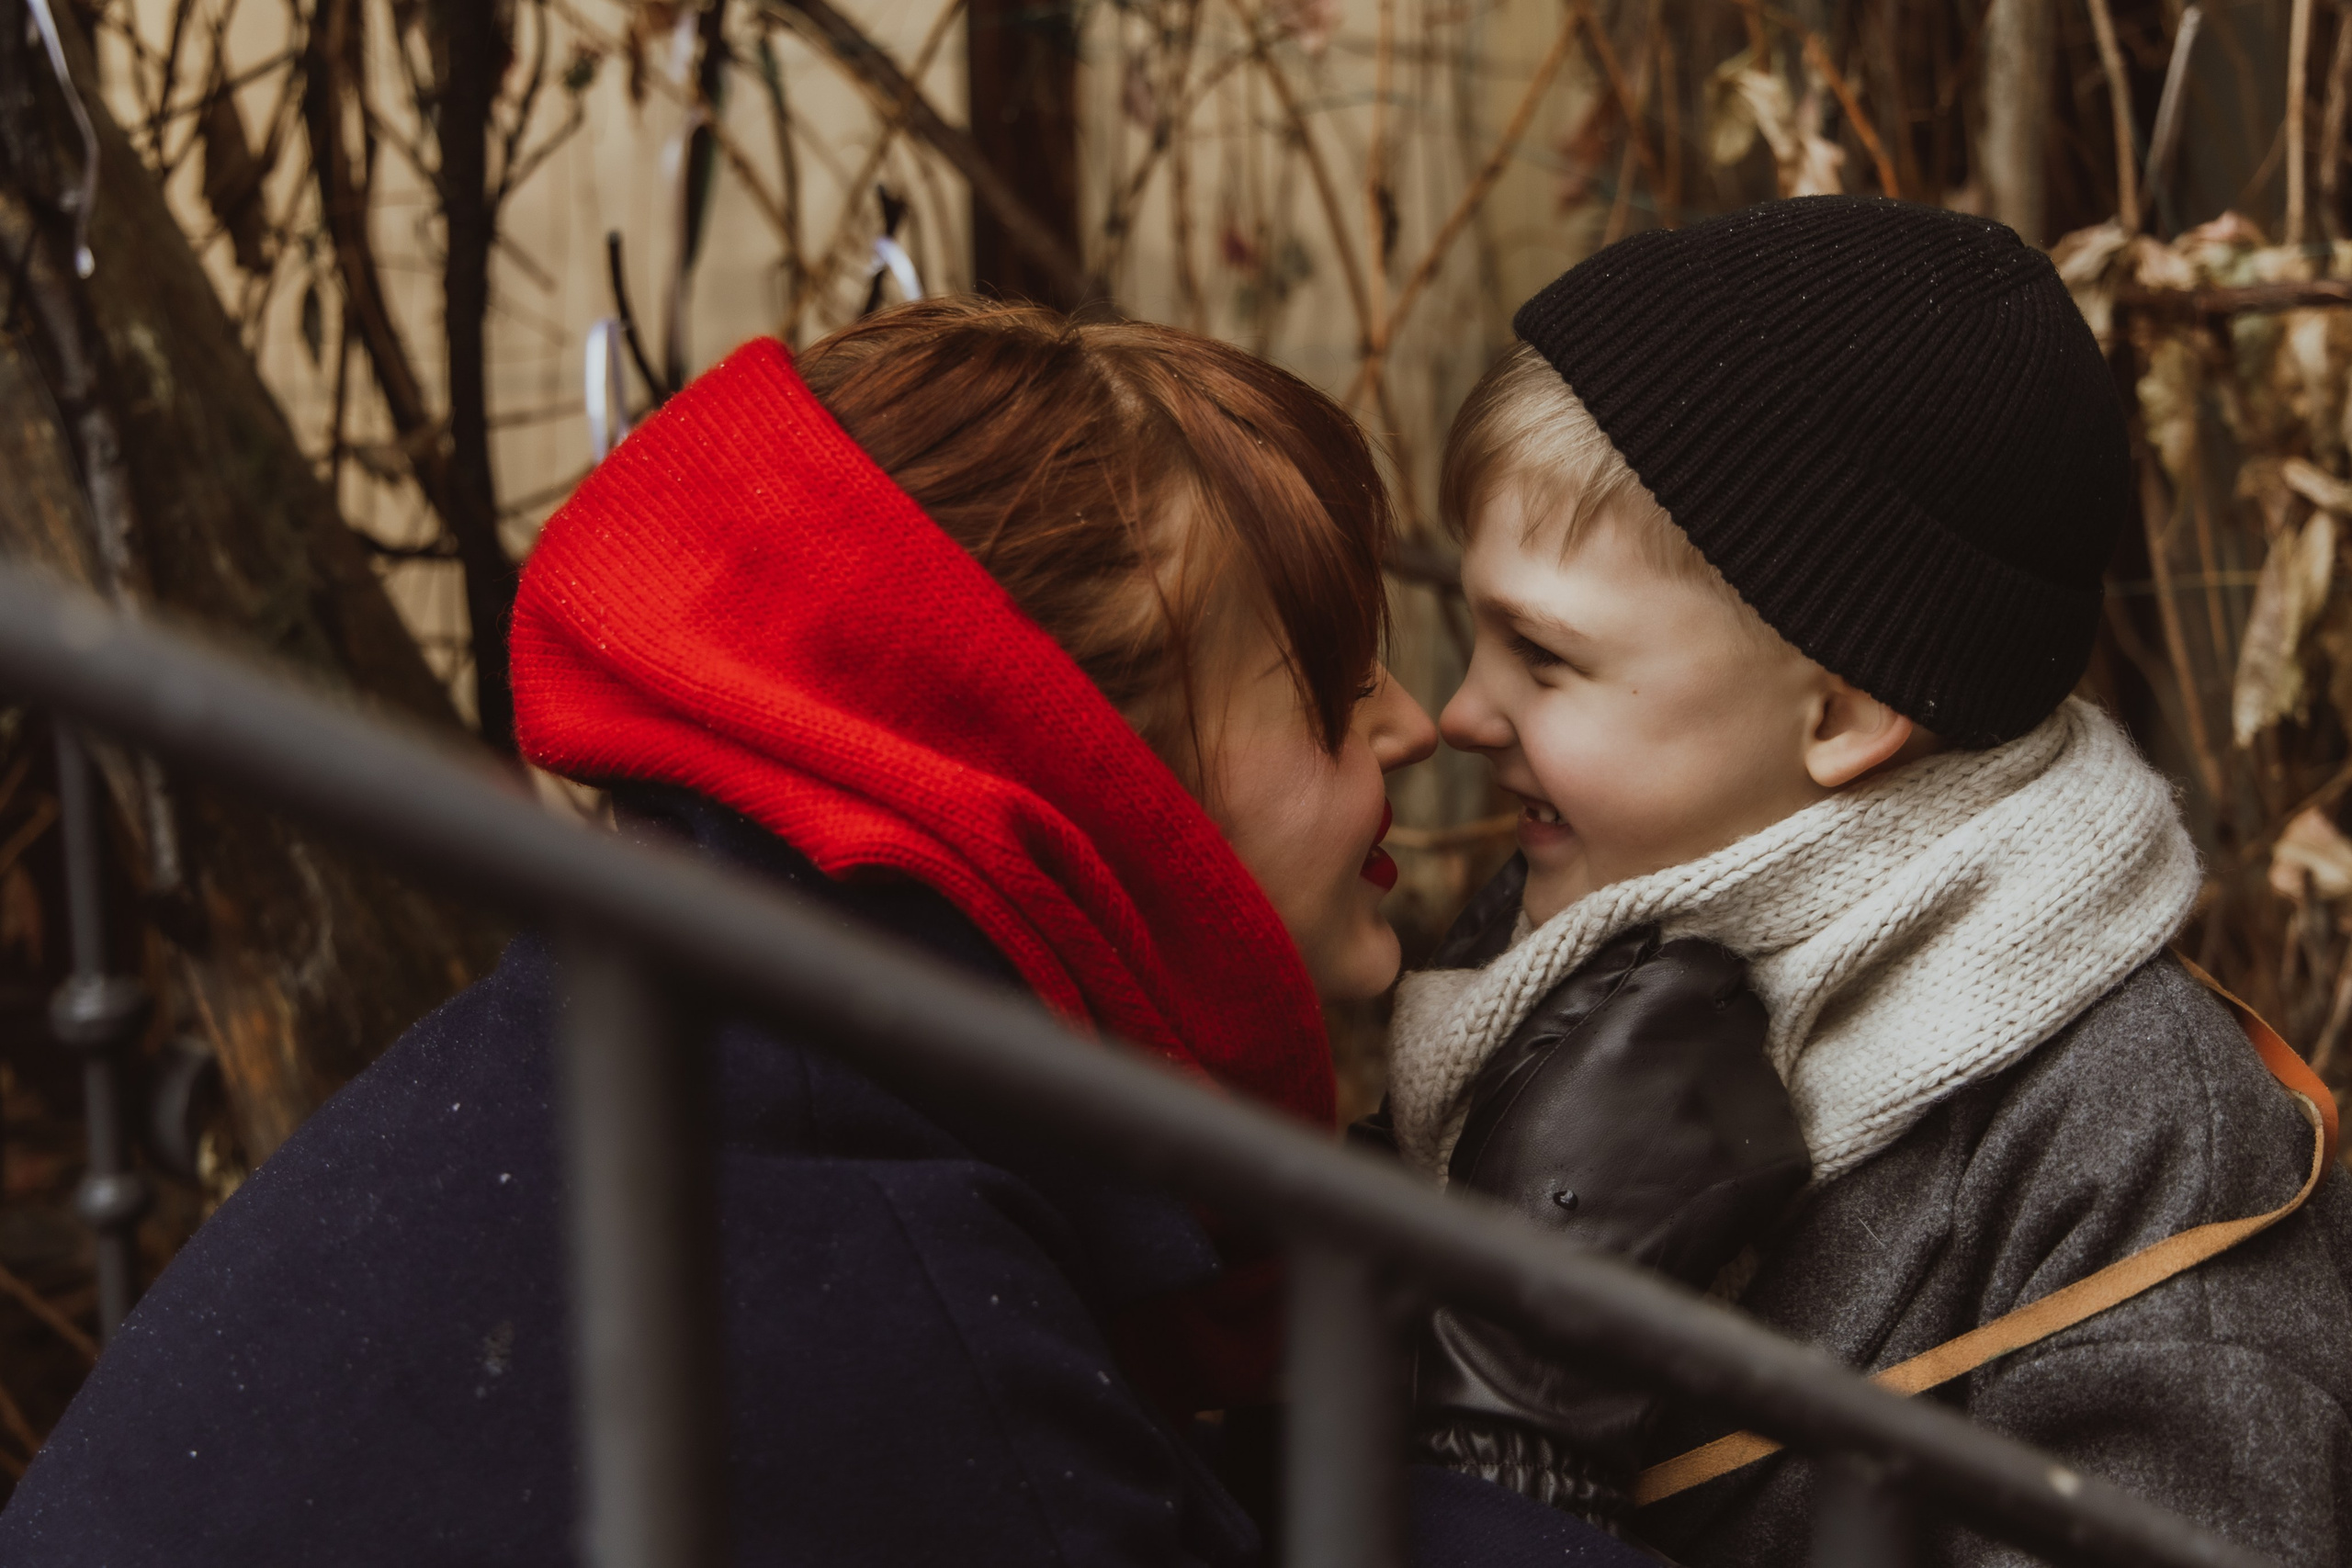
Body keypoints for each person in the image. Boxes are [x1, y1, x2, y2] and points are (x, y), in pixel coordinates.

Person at [0, 301, 1704, 1566]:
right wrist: (1521, 1429)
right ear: (1088, 778)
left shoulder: (668, 1064)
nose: (1410, 724)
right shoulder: (865, 1289)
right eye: (1326, 682)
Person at [1385, 195, 2352, 1566]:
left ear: (1841, 716)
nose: (1457, 716)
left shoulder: (2136, 1146)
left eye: (1543, 657)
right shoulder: (1572, 921)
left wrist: (1528, 1448)